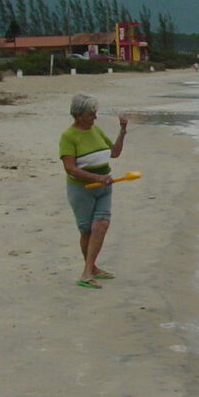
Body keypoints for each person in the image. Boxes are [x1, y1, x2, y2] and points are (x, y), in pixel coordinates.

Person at [59, 93, 128, 289]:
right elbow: (70, 168)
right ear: (78, 115)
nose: (95, 118)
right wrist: (96, 178)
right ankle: (90, 270)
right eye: (91, 114)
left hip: (104, 188)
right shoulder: (68, 136)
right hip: (82, 190)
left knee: (102, 225)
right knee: (87, 230)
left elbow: (114, 152)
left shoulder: (96, 130)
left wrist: (123, 131)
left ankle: (88, 271)